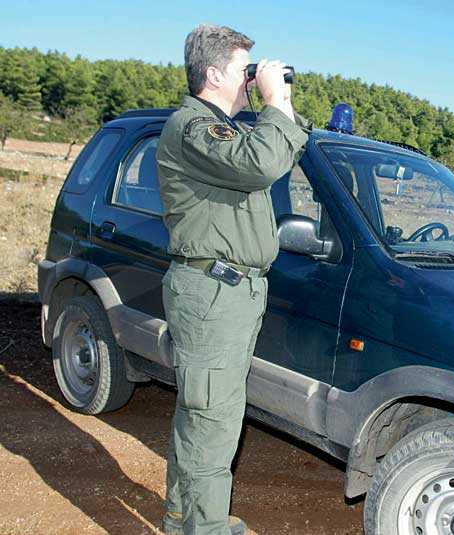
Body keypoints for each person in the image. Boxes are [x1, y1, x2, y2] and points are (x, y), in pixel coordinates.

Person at [156, 24, 311, 535]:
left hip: (232, 292)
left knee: (203, 413)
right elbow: (265, 160)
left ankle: (184, 517)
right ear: (215, 72)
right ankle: (206, 528)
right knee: (213, 422)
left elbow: (287, 145)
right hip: (212, 294)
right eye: (245, 69)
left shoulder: (229, 132)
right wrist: (270, 102)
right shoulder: (193, 127)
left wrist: (279, 102)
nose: (250, 80)